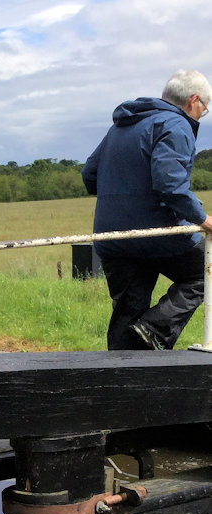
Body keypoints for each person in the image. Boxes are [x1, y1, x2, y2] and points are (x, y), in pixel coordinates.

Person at [82, 69, 212, 350]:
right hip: (157, 234)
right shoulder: (176, 125)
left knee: (128, 307)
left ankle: (118, 382)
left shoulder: (121, 126)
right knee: (205, 272)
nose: (203, 114)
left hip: (111, 238)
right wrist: (202, 218)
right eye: (205, 108)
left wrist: (123, 196)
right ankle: (154, 328)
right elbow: (170, 184)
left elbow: (89, 174)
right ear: (194, 101)